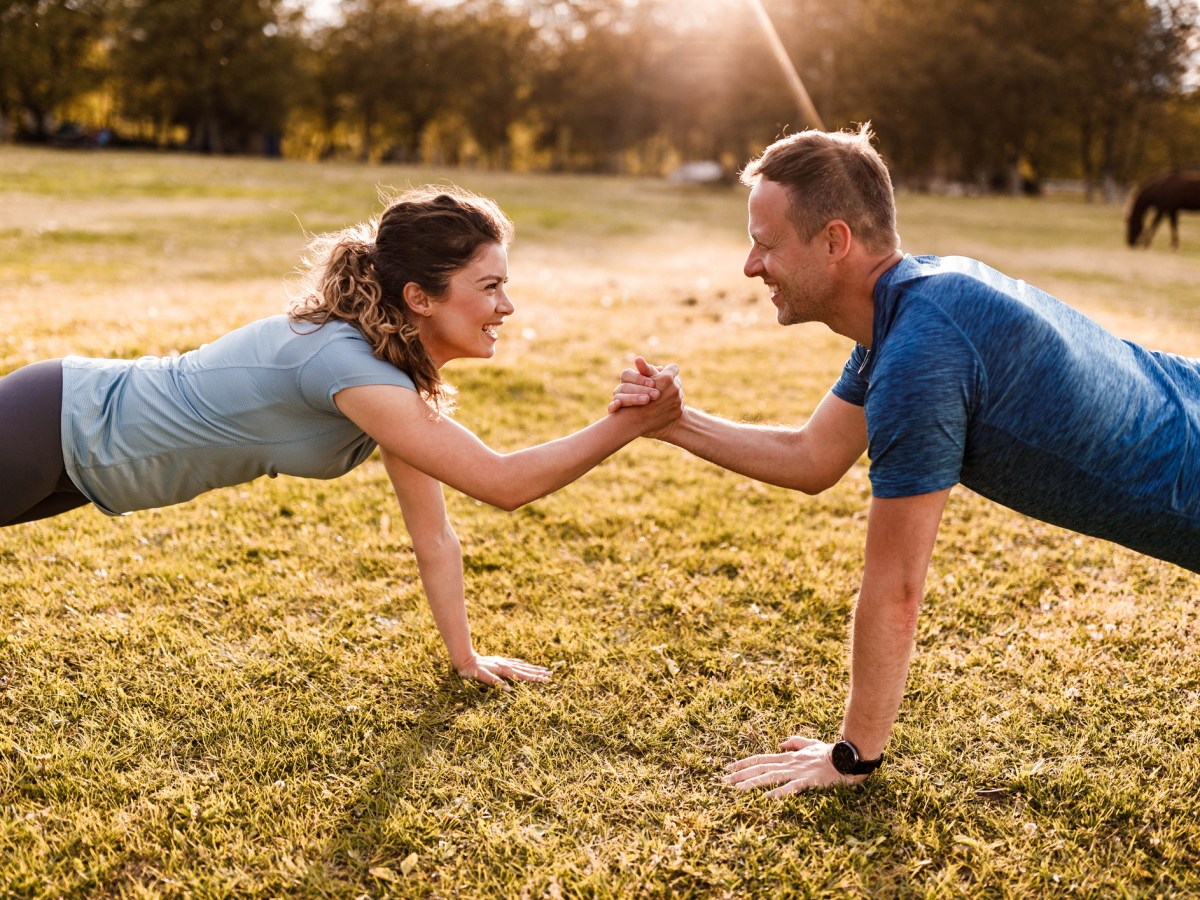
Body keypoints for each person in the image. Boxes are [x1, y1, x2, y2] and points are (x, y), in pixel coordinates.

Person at [610, 124, 1200, 796]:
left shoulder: (920, 352)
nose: (750, 266)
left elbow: (896, 588)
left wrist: (852, 755)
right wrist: (675, 422)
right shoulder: (913, 306)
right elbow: (814, 456)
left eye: (765, 244)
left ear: (834, 242)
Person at [2, 184, 682, 689]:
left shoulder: (388, 378)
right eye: (491, 286)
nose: (508, 306)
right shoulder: (344, 364)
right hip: (55, 421)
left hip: (83, 468)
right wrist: (629, 425)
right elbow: (503, 483)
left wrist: (466, 659)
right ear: (421, 298)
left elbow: (435, 535)